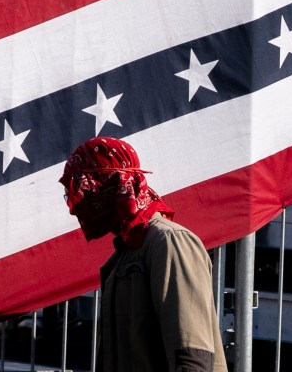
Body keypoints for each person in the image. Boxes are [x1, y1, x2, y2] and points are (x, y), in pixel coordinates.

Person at [60, 137, 223, 372]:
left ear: (112, 185)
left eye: (85, 190)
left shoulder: (169, 241)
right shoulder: (124, 255)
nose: (75, 206)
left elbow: (192, 356)